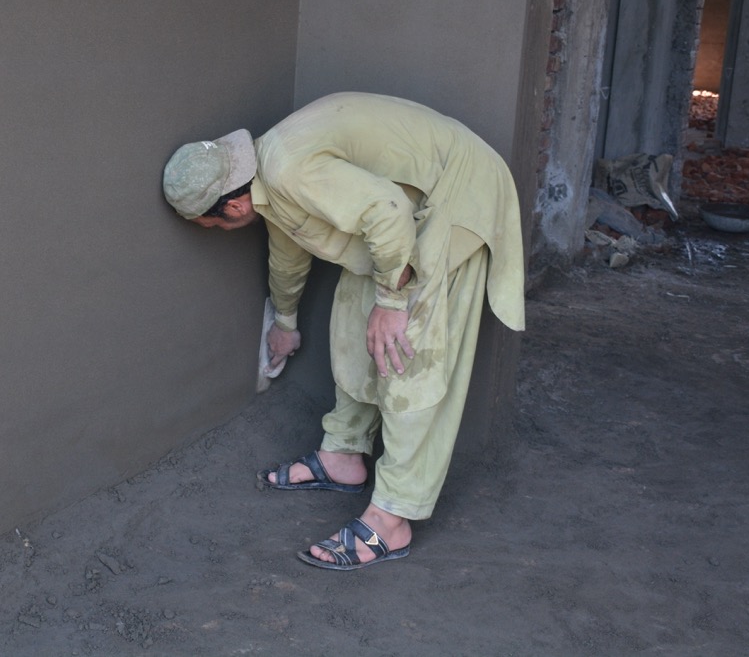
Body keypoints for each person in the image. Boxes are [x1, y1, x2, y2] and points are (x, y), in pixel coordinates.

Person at [162, 92, 525, 570]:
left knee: (409, 354)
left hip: (457, 191)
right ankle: (343, 456)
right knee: (355, 320)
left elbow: (388, 210)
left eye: (211, 225)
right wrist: (285, 324)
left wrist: (392, 302)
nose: (218, 231)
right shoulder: (269, 183)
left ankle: (392, 519)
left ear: (231, 207)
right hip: (398, 217)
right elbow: (289, 253)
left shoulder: (289, 171)